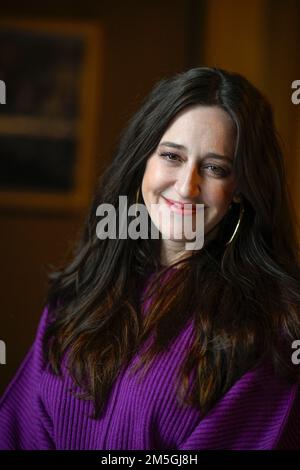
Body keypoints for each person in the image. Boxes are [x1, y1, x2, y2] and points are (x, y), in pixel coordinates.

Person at [1, 66, 300, 450]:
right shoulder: (82, 291)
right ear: (144, 159)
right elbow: (16, 432)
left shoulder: (272, 327)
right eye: (172, 156)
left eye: (214, 168)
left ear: (240, 188)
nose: (187, 186)